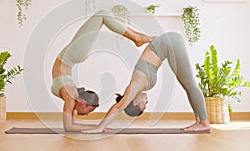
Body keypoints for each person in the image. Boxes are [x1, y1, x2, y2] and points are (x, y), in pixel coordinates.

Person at [83, 32, 211, 132]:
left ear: (135, 101)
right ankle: (199, 121)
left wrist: (100, 126)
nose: (146, 104)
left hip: (170, 42)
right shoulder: (139, 86)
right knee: (187, 86)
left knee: (190, 84)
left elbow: (118, 107)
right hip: (169, 43)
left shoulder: (135, 85)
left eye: (143, 106)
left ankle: (204, 122)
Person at [51, 10, 155, 132]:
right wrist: (98, 127)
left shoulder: (70, 97)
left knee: (102, 15)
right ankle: (138, 38)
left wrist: (99, 127)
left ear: (83, 103)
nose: (87, 114)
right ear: (83, 102)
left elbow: (68, 127)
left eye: (89, 111)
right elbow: (70, 126)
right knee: (101, 15)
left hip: (72, 55)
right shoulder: (72, 96)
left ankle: (138, 38)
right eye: (90, 110)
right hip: (72, 55)